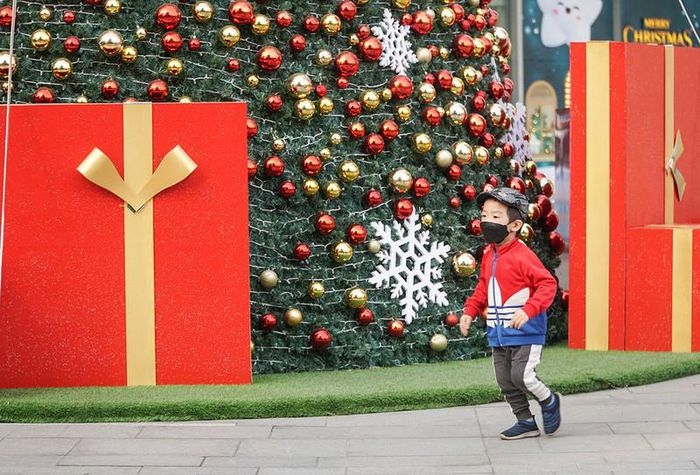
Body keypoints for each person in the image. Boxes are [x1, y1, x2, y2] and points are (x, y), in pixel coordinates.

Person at [459, 187, 561, 440]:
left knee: (522, 376)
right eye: (484, 215)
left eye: (495, 217)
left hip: (526, 331)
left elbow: (548, 284)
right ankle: (525, 421)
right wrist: (470, 311)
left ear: (514, 225)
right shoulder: (488, 254)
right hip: (498, 331)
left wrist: (528, 311)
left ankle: (549, 401)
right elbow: (483, 287)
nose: (486, 222)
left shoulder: (522, 256)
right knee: (505, 381)